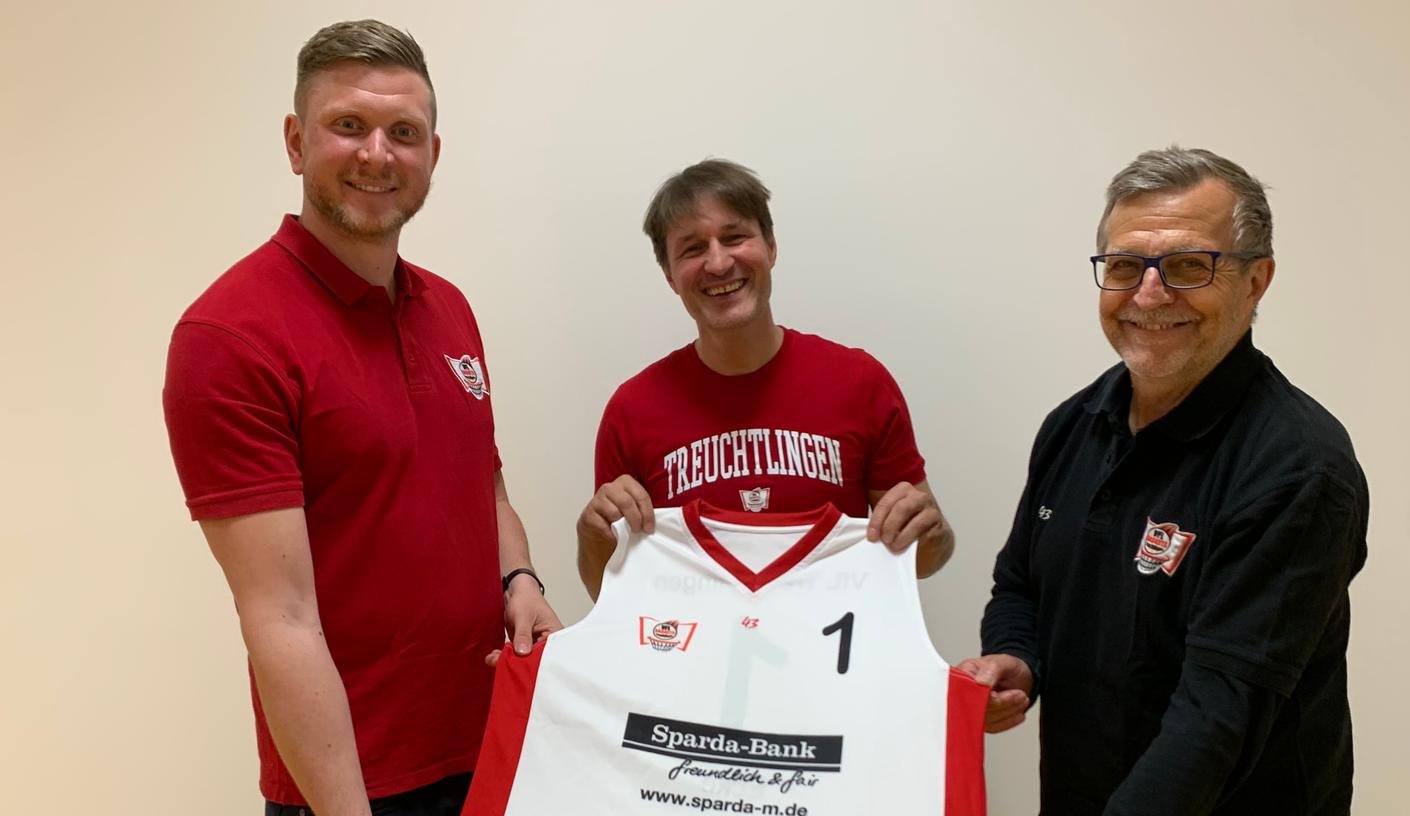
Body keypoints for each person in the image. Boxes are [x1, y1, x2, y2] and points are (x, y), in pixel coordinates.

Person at [162, 20, 559, 816]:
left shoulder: (449, 308)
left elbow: (483, 485)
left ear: (432, 157)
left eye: (403, 133)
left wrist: (518, 575)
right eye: (349, 125)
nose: (377, 155)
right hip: (359, 788)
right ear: (295, 142)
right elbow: (279, 619)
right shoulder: (228, 337)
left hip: (495, 743)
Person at [962, 147, 1368, 814]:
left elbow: (1217, 716)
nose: (1148, 295)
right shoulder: (1072, 425)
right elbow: (1020, 587)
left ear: (1255, 281)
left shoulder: (1298, 469)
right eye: (1124, 266)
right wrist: (1017, 657)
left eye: (1187, 266)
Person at [576, 158, 953, 599]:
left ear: (771, 246)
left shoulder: (860, 382)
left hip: (834, 659)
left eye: (735, 237)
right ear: (670, 276)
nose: (718, 263)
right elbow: (607, 592)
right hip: (692, 662)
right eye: (693, 249)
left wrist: (935, 534)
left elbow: (925, 560)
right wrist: (592, 535)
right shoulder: (632, 409)